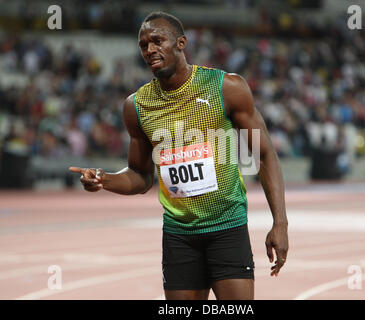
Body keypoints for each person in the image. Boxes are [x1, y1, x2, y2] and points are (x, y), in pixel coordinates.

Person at [69, 11, 288, 300]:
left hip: (227, 227)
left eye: (157, 41)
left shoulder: (226, 87)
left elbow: (264, 155)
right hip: (178, 234)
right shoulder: (136, 107)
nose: (149, 50)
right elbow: (141, 176)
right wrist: (104, 180)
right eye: (143, 45)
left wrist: (280, 223)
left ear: (181, 43)